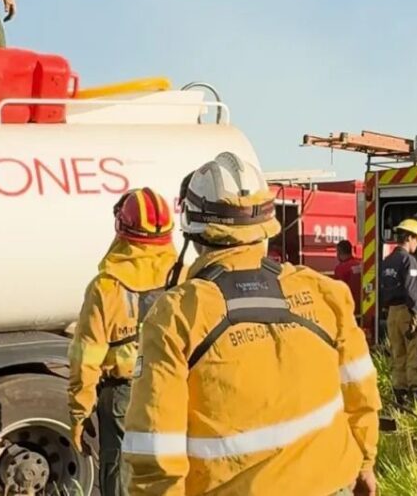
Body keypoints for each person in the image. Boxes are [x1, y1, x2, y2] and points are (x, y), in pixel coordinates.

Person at [123, 152, 381, 496]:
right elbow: (361, 392)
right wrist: (364, 460)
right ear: (267, 225)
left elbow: (155, 446)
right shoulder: (323, 293)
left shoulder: (177, 315)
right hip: (335, 484)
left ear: (193, 230)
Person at [68, 188, 176, 496]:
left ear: (122, 229)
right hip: (172, 387)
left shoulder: (105, 287)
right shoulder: (184, 276)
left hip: (123, 397)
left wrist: (79, 411)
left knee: (120, 477)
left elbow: (86, 355)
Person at [381, 218, 417, 406]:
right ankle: (416, 397)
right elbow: (411, 290)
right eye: (416, 240)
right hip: (406, 312)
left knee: (397, 355)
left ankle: (399, 398)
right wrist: (416, 313)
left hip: (391, 313)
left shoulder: (387, 261)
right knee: (415, 353)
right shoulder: (409, 260)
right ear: (408, 237)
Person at [333, 239, 363, 317]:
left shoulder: (340, 268)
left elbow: (338, 290)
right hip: (362, 305)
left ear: (339, 252)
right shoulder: (359, 264)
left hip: (349, 306)